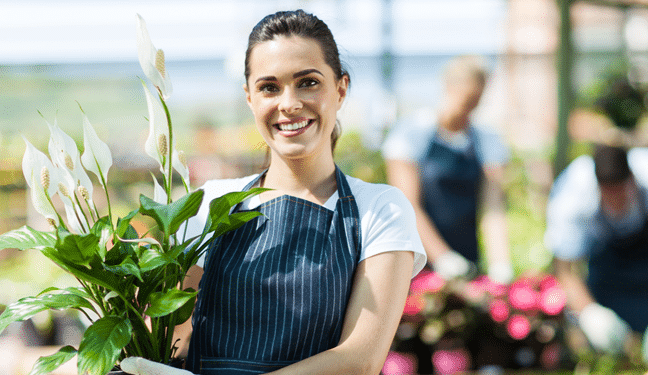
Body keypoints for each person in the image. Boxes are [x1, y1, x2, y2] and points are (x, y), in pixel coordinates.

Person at [121, 9, 426, 375]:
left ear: (341, 89)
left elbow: (359, 360)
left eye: (308, 82)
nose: (289, 103)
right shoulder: (211, 204)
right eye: (269, 87)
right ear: (250, 98)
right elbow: (174, 338)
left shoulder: (379, 209)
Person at [545, 143, 648, 368]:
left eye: (621, 193)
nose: (616, 202)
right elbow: (564, 269)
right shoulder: (571, 191)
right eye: (608, 195)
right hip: (607, 279)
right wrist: (590, 313)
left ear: (632, 180)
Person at [382, 55, 513, 284]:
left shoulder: (487, 140)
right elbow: (406, 204)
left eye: (476, 101)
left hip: (467, 258)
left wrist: (500, 262)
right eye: (466, 99)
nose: (469, 109)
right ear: (448, 87)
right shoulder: (411, 134)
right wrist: (442, 257)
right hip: (417, 263)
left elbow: (492, 206)